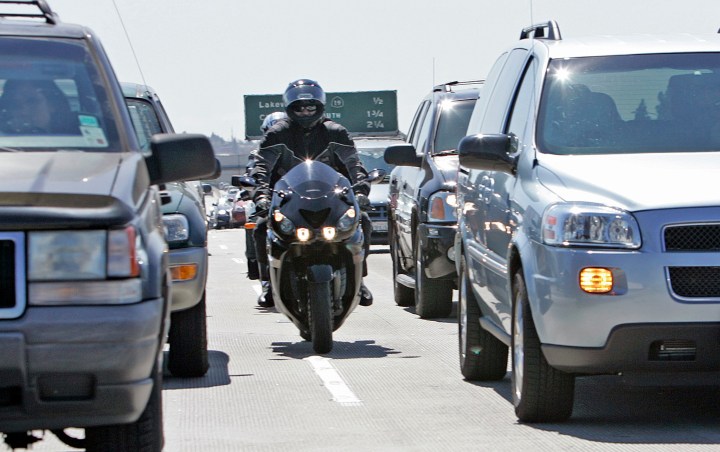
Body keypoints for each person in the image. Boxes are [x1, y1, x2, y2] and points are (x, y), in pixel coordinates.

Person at [251, 79, 374, 308]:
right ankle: (268, 281)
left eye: (310, 107)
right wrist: (261, 196)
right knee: (260, 227)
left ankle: (360, 279)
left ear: (320, 106)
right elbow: (261, 167)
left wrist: (361, 190)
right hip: (288, 199)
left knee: (363, 221)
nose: (305, 112)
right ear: (290, 108)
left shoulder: (336, 132)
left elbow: (354, 165)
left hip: (331, 198)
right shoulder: (277, 134)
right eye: (299, 107)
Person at [0, 79, 79, 135]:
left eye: (32, 102)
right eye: (15, 105)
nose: (24, 112)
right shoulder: (4, 143)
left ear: (52, 105)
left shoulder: (76, 139)